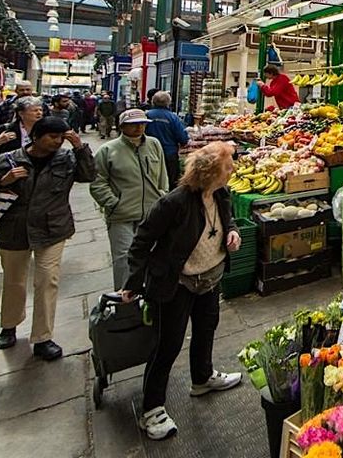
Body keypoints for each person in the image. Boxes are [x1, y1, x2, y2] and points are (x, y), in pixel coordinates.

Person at [120, 142, 244, 440]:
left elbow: (227, 221)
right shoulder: (174, 203)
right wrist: (133, 283)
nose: (233, 171)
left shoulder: (222, 195)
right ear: (212, 171)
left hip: (210, 278)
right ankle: (151, 409)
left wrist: (233, 231)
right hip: (177, 283)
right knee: (168, 344)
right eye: (228, 167)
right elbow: (141, 242)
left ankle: (202, 379)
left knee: (206, 329)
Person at [0, 117, 95, 358]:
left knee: (48, 280)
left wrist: (80, 147)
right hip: (14, 230)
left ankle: (43, 337)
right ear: (36, 137)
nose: (57, 142)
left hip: (53, 228)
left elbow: (89, 175)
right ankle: (9, 325)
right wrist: (2, 181)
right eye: (52, 137)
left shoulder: (67, 159)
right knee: (15, 281)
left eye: (61, 138)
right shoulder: (7, 160)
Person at [90, 109, 169, 288]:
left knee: (154, 254)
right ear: (122, 126)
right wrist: (113, 203)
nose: (139, 127)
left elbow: (162, 174)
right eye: (134, 124)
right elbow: (97, 182)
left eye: (142, 124)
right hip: (122, 215)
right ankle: (125, 300)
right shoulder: (108, 150)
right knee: (124, 258)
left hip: (152, 212)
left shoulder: (154, 144)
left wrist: (162, 195)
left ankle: (150, 296)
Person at [0, 96, 45, 164]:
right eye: (35, 110)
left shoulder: (46, 129)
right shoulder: (6, 129)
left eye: (40, 110)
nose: (39, 113)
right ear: (21, 113)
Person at [146, 91, 190, 189]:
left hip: (149, 153)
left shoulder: (147, 115)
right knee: (170, 181)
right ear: (168, 103)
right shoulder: (173, 117)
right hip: (169, 154)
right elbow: (183, 138)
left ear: (153, 102)